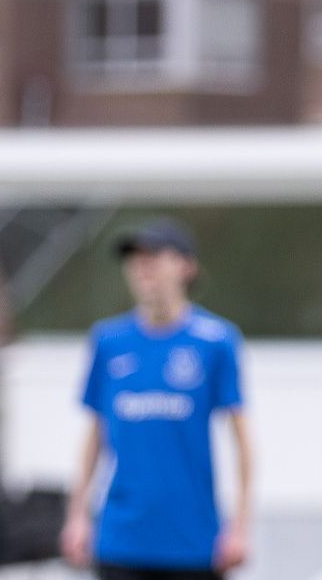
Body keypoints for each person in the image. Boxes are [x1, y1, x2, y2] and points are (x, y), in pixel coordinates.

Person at [60, 218, 253, 580]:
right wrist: (77, 516)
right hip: (121, 542)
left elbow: (243, 442)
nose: (142, 265)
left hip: (193, 545)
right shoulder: (109, 341)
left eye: (154, 255)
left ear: (185, 266)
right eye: (134, 258)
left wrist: (240, 528)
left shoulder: (215, 342)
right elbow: (94, 436)